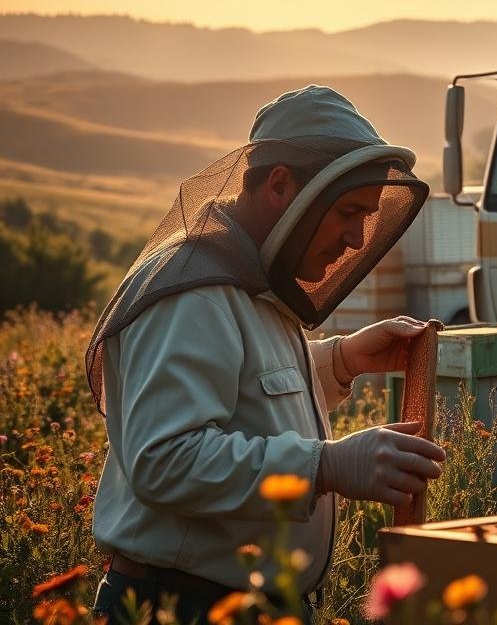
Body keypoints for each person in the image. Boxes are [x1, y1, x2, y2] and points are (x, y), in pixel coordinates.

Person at [86, 86, 446, 624]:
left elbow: (245, 393)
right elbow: (164, 461)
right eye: (348, 211)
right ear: (281, 185)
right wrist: (327, 464)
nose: (355, 238)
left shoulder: (250, 280)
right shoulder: (194, 292)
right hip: (179, 605)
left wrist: (341, 361)